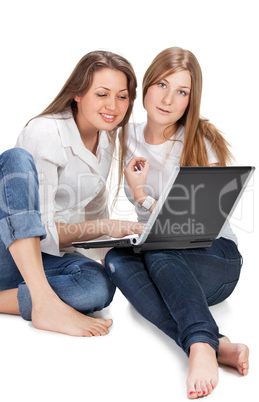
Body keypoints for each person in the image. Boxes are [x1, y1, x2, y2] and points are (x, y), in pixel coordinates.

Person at [104, 47, 249, 398]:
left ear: (190, 100)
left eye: (181, 91)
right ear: (147, 87)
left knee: (160, 246)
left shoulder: (201, 139)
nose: (168, 99)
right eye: (163, 85)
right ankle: (218, 344)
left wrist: (143, 198)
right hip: (163, 257)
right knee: (114, 259)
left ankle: (199, 343)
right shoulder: (125, 136)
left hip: (216, 258)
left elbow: (195, 227)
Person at [0, 50, 145, 337]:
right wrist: (105, 227)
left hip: (47, 260)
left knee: (98, 287)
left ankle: (31, 300)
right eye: (102, 94)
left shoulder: (107, 137)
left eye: (122, 96)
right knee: (14, 159)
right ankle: (45, 301)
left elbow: (97, 206)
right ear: (78, 93)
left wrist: (106, 258)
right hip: (4, 252)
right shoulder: (46, 133)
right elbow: (41, 229)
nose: (113, 105)